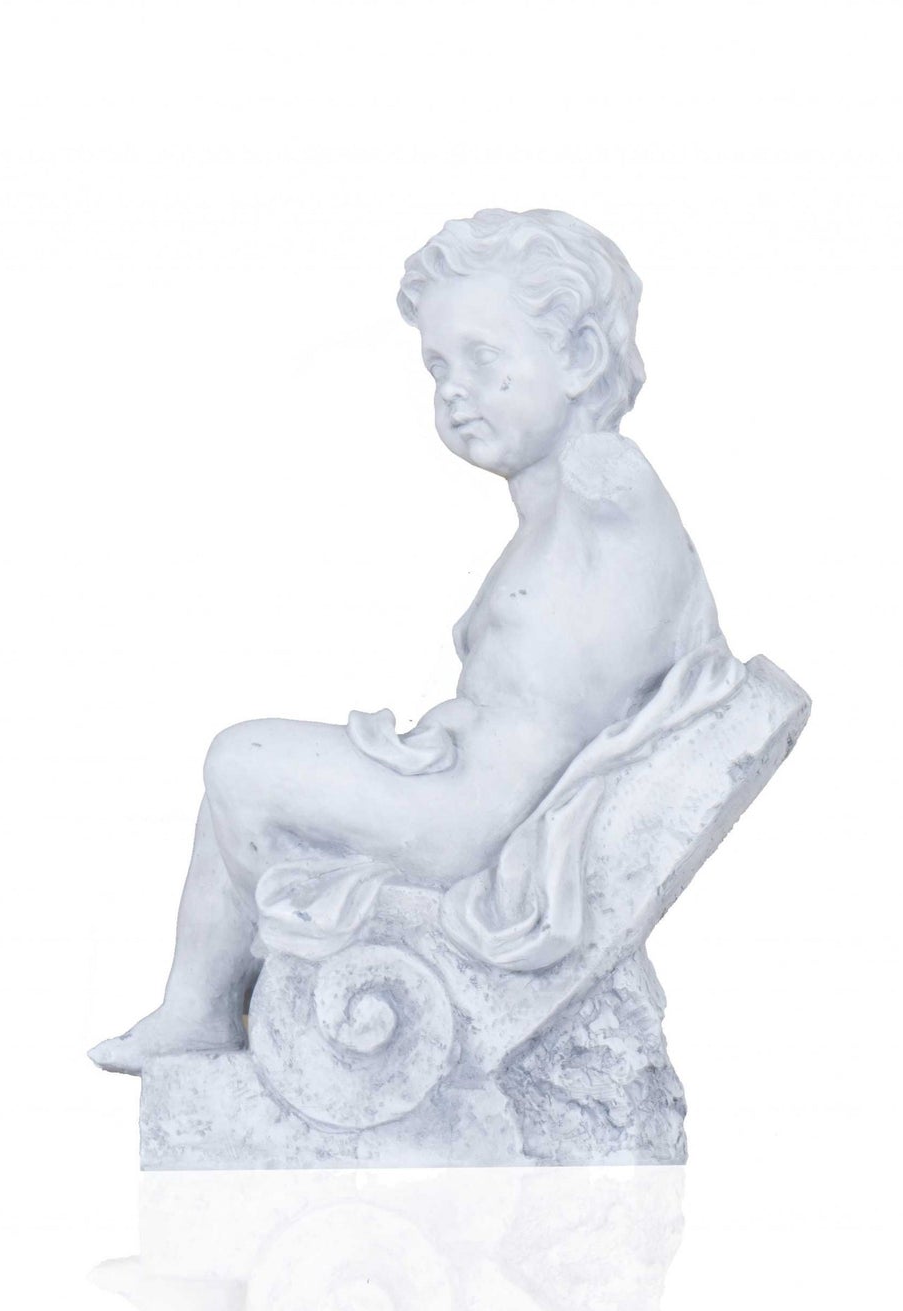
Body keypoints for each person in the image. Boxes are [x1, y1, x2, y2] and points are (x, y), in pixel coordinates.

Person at [90, 208, 725, 1073]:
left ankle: (199, 1010)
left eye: (483, 359)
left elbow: (620, 657)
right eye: (438, 367)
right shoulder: (546, 520)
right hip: (457, 788)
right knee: (239, 778)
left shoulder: (605, 479)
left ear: (579, 357)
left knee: (239, 760)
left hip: (475, 826)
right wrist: (438, 738)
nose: (454, 390)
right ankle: (198, 1008)